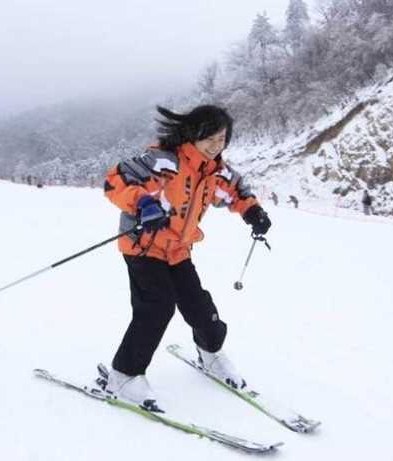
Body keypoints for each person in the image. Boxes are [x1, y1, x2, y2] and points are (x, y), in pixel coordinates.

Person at [103, 105, 271, 410]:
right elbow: (117, 180)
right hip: (144, 246)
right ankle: (124, 374)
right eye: (210, 137)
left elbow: (236, 191)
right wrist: (144, 204)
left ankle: (210, 354)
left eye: (222, 138)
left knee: (200, 307)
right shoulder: (165, 162)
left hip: (178, 250)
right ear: (193, 134)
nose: (216, 145)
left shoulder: (215, 170)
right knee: (157, 307)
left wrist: (253, 211)